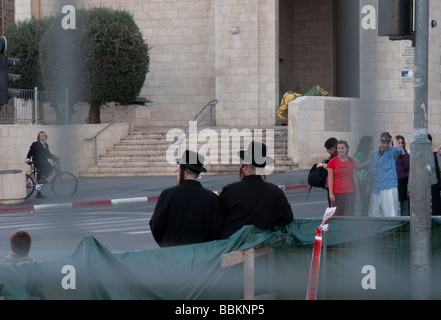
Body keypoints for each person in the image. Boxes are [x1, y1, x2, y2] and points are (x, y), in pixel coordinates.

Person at [218, 141, 294, 239]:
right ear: (263, 168)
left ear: (245, 166)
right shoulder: (275, 192)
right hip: (263, 248)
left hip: (233, 249)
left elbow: (218, 221)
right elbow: (287, 218)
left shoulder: (229, 191)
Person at [149, 150, 223, 247]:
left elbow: (156, 225)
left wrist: (166, 244)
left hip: (172, 253)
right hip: (201, 255)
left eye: (178, 170)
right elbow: (217, 229)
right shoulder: (212, 198)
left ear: (184, 172)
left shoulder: (168, 194)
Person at [366, 132, 403, 217]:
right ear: (380, 141)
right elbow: (371, 170)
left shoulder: (392, 152)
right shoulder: (374, 154)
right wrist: (368, 185)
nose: (385, 144)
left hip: (389, 187)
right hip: (376, 187)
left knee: (391, 213)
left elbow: (400, 149)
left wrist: (393, 136)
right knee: (374, 214)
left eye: (387, 142)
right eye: (383, 142)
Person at [327, 140, 359, 216]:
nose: (340, 150)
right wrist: (331, 194)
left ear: (347, 149)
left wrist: (358, 191)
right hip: (337, 193)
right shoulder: (332, 161)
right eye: (339, 148)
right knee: (337, 215)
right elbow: (330, 178)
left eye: (342, 148)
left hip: (350, 193)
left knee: (349, 215)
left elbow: (354, 177)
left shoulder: (352, 161)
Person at [25, 131, 58, 199]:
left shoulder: (46, 145)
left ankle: (39, 193)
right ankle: (43, 178)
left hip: (43, 162)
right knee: (49, 167)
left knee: (40, 177)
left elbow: (48, 154)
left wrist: (54, 157)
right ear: (39, 137)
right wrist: (28, 158)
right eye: (41, 136)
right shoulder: (35, 144)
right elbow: (30, 152)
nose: (43, 137)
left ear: (45, 137)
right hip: (37, 162)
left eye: (44, 136)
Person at [354, 136, 373, 216]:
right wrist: (366, 163)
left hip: (367, 182)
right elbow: (355, 166)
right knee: (365, 205)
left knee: (368, 205)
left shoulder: (369, 154)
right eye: (371, 143)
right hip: (361, 183)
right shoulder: (359, 154)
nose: (373, 144)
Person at [316, 137, 338, 207]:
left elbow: (331, 168)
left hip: (334, 185)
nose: (328, 151)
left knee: (333, 207)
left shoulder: (338, 157)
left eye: (328, 149)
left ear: (333, 148)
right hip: (329, 185)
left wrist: (322, 165)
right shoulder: (333, 157)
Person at [395, 135, 410, 216]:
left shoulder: (406, 155)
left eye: (402, 143)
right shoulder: (393, 154)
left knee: (404, 205)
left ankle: (405, 224)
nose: (400, 145)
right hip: (394, 181)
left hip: (404, 181)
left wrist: (404, 154)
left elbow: (408, 167)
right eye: (399, 143)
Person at [428, 134, 441, 215]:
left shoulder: (435, 155)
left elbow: (439, 170)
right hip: (421, 186)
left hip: (434, 185)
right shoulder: (417, 157)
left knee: (435, 209)